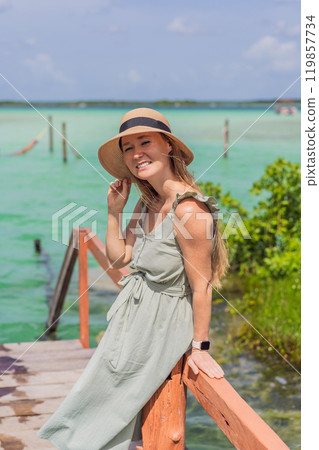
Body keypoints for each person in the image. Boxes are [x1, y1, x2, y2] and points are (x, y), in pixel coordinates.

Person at [37, 108, 228, 449]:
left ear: (168, 146)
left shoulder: (189, 210)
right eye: (128, 147)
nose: (136, 153)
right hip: (134, 315)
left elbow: (202, 286)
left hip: (164, 323)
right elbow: (121, 257)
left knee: (112, 407)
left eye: (145, 142)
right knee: (96, 396)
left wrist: (200, 348)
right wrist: (114, 211)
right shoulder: (147, 203)